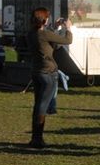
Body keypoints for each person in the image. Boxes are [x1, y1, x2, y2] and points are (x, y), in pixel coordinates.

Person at [27, 8, 73, 148]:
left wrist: (55, 26)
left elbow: (50, 42)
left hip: (36, 71)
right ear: (44, 20)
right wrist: (68, 28)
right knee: (43, 106)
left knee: (38, 104)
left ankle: (35, 137)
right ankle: (37, 139)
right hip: (48, 72)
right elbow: (67, 40)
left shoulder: (31, 34)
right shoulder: (44, 34)